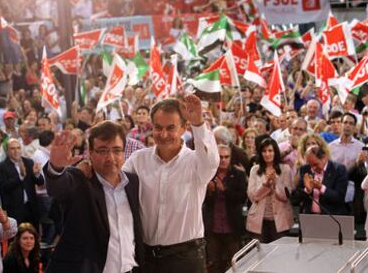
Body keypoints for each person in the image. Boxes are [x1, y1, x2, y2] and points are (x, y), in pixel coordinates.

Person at [123, 95, 220, 273]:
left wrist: (198, 123)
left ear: (184, 128)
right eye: (158, 128)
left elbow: (212, 161)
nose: (164, 135)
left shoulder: (197, 162)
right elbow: (114, 184)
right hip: (147, 259)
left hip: (186, 259)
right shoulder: (138, 160)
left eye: (171, 128)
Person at [45, 121, 144, 273]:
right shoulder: (80, 179)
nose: (110, 158)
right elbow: (57, 188)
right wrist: (56, 168)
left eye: (117, 150)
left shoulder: (134, 182)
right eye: (102, 151)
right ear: (90, 153)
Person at [203, 144, 247, 273]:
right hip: (213, 227)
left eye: (226, 157)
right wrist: (209, 192)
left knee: (234, 263)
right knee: (214, 263)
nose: (223, 160)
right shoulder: (208, 174)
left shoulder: (238, 174)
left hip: (232, 226)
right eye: (220, 157)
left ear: (230, 158)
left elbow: (242, 198)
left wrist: (225, 190)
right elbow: (201, 201)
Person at [246, 138, 294, 243]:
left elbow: (286, 196)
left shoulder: (285, 169)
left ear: (275, 152)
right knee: (259, 255)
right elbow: (253, 196)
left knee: (279, 255)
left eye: (270, 151)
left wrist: (276, 183)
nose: (267, 154)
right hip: (259, 222)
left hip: (281, 221)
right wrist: (266, 185)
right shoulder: (254, 170)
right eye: (264, 151)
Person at [0, 139, 44, 228]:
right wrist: (20, 177)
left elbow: (40, 182)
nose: (16, 151)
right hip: (14, 209)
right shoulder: (1, 167)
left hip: (30, 207)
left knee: (33, 234)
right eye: (13, 149)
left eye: (18, 148)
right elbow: (4, 187)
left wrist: (37, 174)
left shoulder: (29, 162)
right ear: (7, 151)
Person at [293, 145, 349, 215]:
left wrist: (321, 188)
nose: (312, 168)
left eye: (315, 164)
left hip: (332, 218)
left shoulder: (338, 169)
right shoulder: (305, 169)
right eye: (310, 165)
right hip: (309, 217)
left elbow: (339, 197)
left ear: (324, 158)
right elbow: (295, 199)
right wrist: (307, 190)